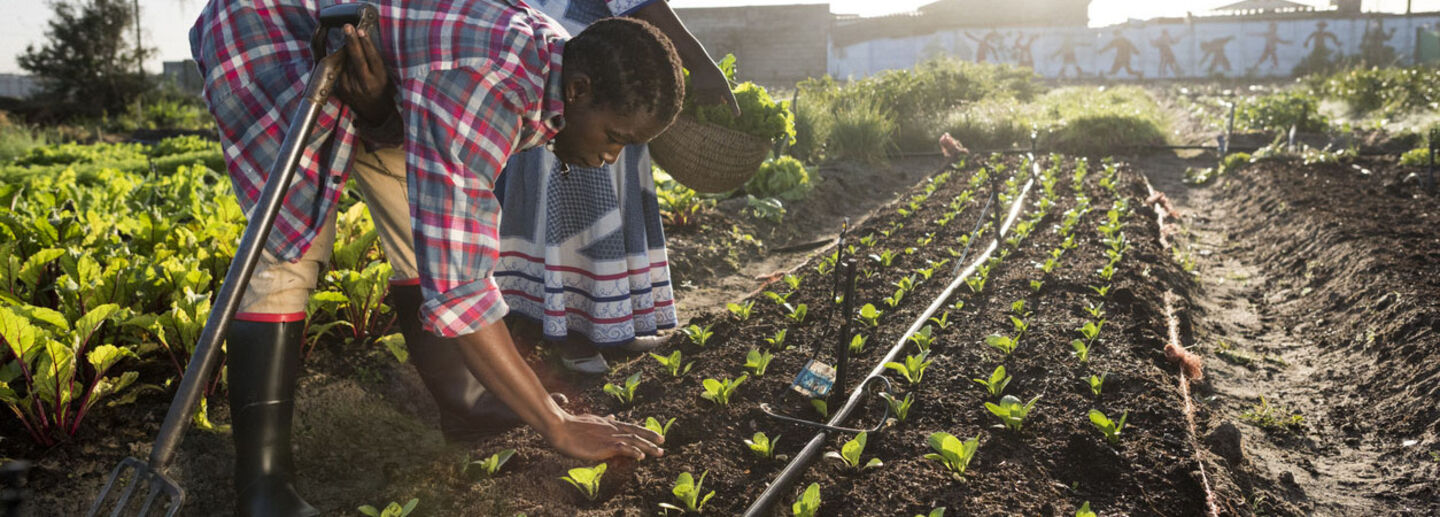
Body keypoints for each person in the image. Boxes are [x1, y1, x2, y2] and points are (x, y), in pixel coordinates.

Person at [189, 1, 680, 515]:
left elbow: (447, 234)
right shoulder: (486, 87)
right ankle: (262, 485)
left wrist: (379, 111)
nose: (611, 157)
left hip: (375, 54)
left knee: (417, 224)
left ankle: (466, 406)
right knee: (287, 248)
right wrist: (554, 424)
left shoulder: (561, 59)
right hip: (270, 27)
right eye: (616, 139)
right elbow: (461, 287)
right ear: (578, 90)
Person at [491, 0, 737, 374]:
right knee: (573, 202)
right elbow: (642, 4)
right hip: (581, 78)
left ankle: (609, 323)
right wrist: (701, 63)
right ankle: (569, 330)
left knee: (606, 200)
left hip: (611, 78)